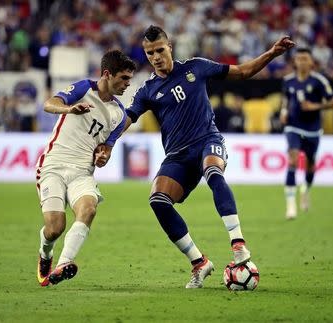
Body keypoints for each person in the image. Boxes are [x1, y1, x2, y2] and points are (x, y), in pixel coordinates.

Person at [106, 26, 293, 288]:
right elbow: (128, 117)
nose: (156, 57)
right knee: (158, 200)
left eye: (160, 50)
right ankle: (199, 263)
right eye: (150, 53)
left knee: (214, 172)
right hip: (178, 156)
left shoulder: (197, 67)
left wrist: (272, 53)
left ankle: (238, 244)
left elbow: (242, 72)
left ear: (170, 46)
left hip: (208, 141)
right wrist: (109, 142)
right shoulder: (148, 89)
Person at [35, 49, 136, 286]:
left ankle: (63, 263)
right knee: (55, 228)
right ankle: (45, 254)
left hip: (82, 171)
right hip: (54, 166)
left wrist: (103, 157)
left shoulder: (119, 115)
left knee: (89, 209)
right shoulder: (83, 89)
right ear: (107, 74)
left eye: (129, 80)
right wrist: (68, 109)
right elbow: (49, 104)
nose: (127, 85)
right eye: (123, 78)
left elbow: (106, 149)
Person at [280, 48, 333, 220]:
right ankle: (290, 206)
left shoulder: (319, 81)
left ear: (311, 62)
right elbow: (286, 99)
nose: (302, 62)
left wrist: (316, 106)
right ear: (295, 62)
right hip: (293, 126)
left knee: (310, 164)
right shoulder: (288, 81)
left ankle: (305, 188)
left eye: (305, 59)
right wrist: (283, 111)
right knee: (293, 158)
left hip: (312, 128)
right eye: (299, 59)